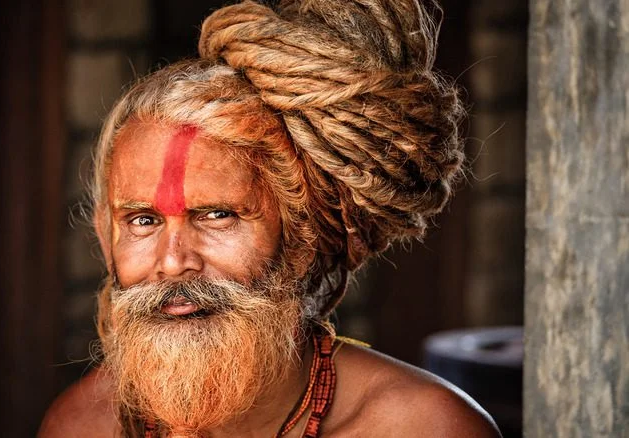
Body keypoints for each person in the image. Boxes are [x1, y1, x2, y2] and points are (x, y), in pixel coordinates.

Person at [40, 0, 501, 436]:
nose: (173, 261)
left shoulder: (422, 428)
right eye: (142, 221)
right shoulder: (81, 426)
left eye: (218, 215)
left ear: (302, 240)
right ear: (106, 236)